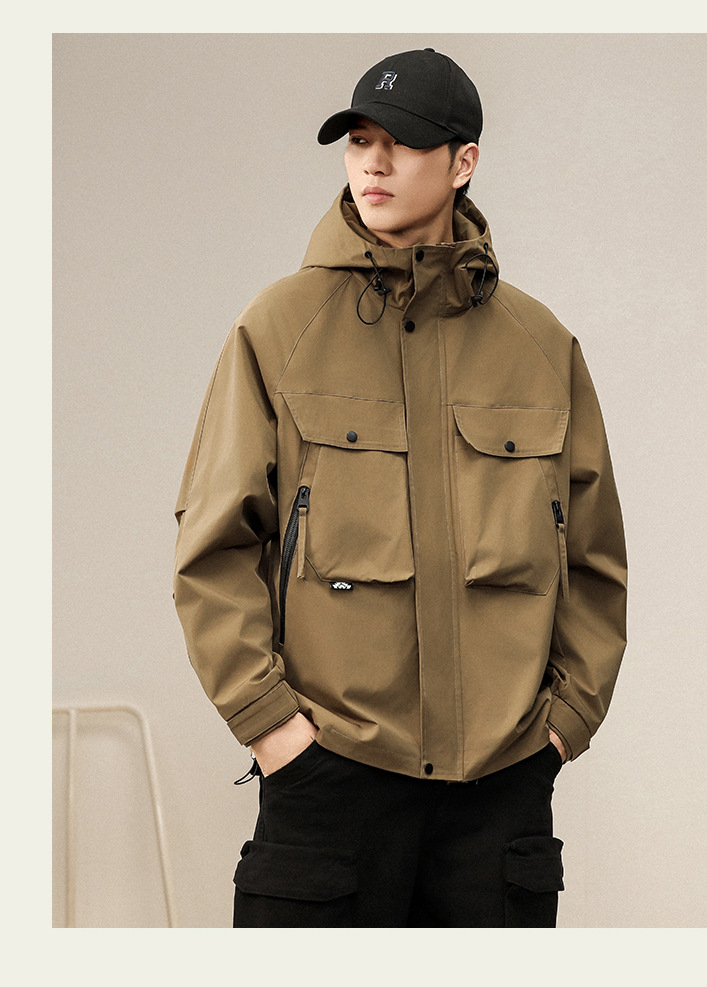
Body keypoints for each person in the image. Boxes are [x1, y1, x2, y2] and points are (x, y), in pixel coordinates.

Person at [173, 47, 627, 928]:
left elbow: (594, 555)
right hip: (329, 782)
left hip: (500, 795)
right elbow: (213, 546)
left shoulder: (541, 346)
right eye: (358, 141)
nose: (373, 164)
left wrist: (563, 722)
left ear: (464, 161)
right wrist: (273, 726)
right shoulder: (279, 329)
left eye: (403, 143)